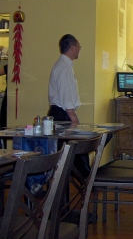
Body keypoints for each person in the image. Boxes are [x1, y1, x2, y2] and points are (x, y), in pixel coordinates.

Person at [47, 34, 89, 176]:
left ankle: (85, 180)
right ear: (72, 47)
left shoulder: (65, 65)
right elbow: (65, 94)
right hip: (62, 113)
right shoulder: (63, 67)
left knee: (76, 151)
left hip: (63, 112)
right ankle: (87, 181)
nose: (79, 50)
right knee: (76, 151)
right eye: (79, 47)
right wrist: (73, 117)